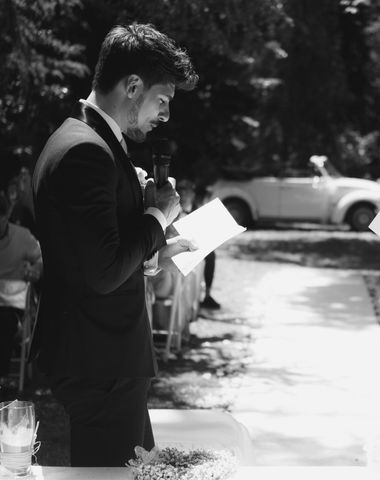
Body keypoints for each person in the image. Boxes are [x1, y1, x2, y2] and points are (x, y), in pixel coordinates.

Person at [30, 23, 198, 467]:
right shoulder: (85, 151)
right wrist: (159, 215)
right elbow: (101, 272)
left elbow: (91, 255)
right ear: (133, 86)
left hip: (103, 358)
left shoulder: (91, 141)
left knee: (132, 471)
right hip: (99, 363)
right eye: (161, 101)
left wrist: (152, 253)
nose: (163, 115)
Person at [0, 193, 42, 385]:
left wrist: (34, 270)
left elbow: (41, 258)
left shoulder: (22, 236)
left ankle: (2, 379)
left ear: (5, 215)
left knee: (4, 320)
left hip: (12, 305)